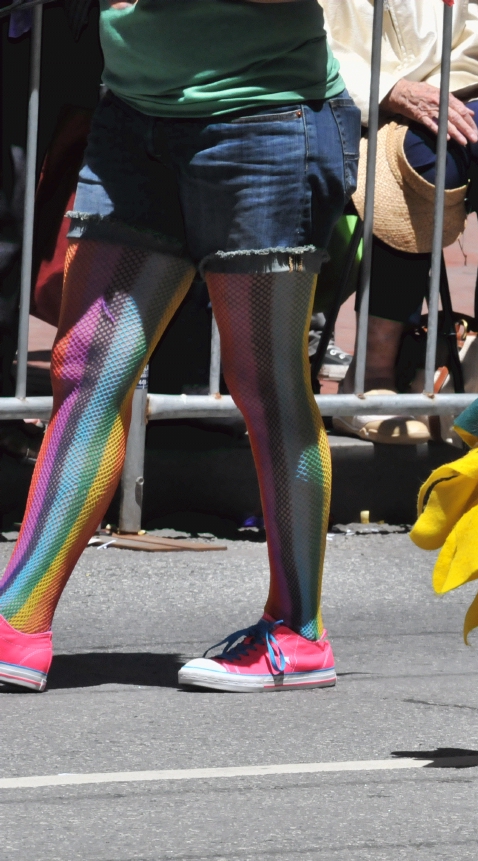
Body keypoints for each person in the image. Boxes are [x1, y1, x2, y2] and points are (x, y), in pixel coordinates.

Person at [0, 0, 358, 693]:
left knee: (267, 383)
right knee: (86, 367)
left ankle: (299, 628)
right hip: (135, 115)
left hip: (263, 119)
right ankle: (18, 620)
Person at [322, 0, 478, 440]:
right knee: (427, 162)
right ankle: (371, 375)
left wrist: (440, 96)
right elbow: (308, 43)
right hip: (343, 106)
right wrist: (389, 91)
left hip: (447, 101)